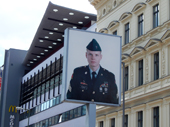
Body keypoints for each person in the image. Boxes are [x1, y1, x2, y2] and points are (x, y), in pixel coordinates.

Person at [67, 39, 118, 104]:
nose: (93, 58)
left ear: (101, 57)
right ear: (86, 55)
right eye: (90, 54)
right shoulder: (78, 73)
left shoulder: (109, 76)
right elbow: (70, 97)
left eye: (96, 55)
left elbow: (114, 101)